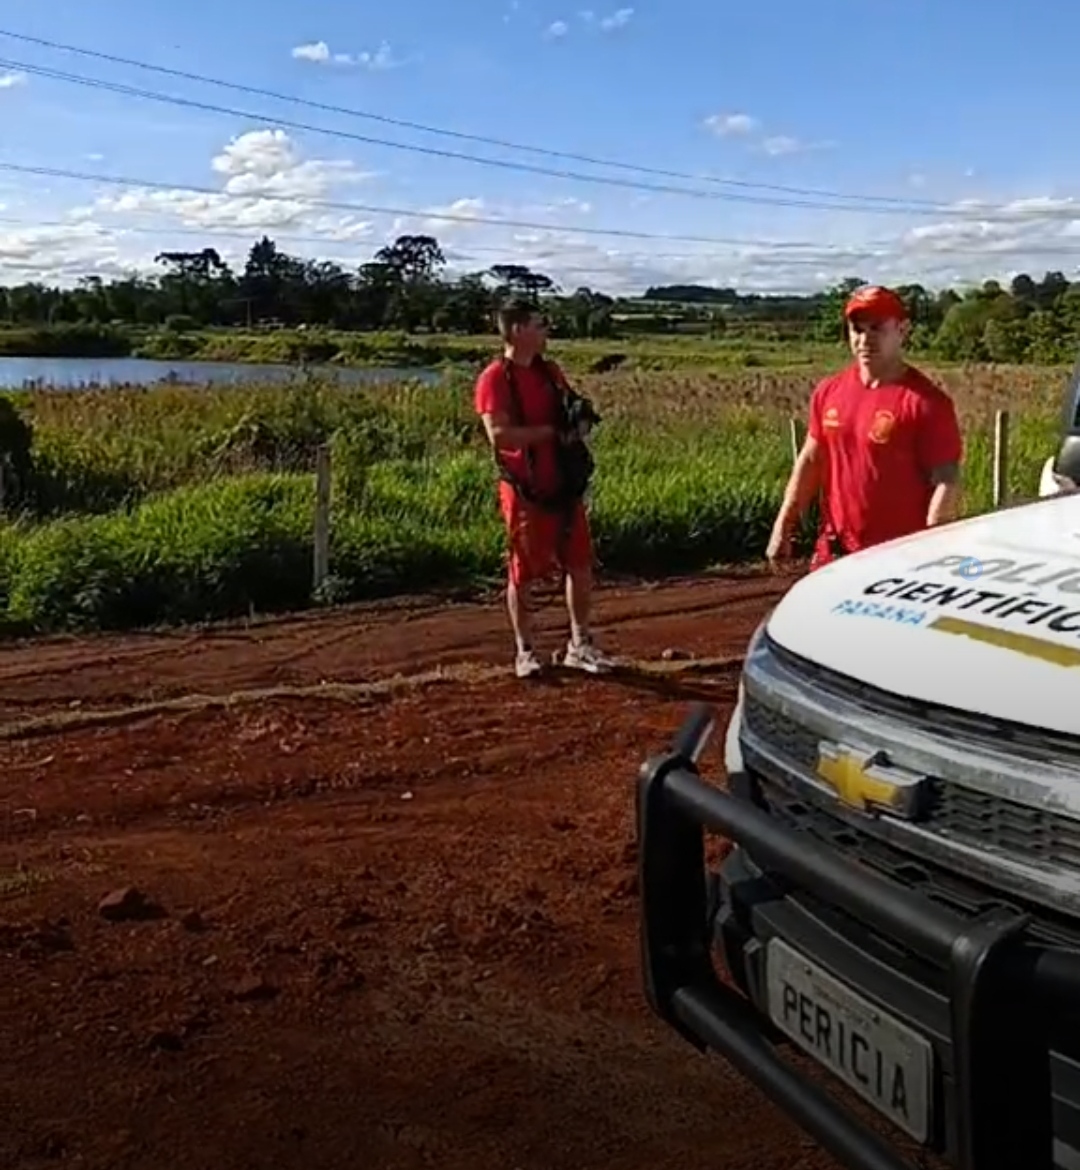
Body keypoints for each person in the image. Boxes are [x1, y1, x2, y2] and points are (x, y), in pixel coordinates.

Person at [767, 284, 963, 572]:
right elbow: (811, 460)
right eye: (858, 329)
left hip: (898, 561)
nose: (865, 339)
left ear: (903, 330)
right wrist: (783, 524)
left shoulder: (926, 402)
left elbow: (947, 480)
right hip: (833, 554)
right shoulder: (829, 392)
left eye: (877, 328)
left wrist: (932, 547)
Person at [474, 297, 614, 678]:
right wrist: (552, 433)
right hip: (525, 489)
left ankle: (579, 644)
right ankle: (525, 651)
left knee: (580, 564)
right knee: (523, 573)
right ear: (518, 330)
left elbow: (568, 408)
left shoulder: (550, 372)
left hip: (564, 484)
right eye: (540, 324)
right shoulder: (494, 379)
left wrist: (578, 419)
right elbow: (499, 437)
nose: (546, 331)